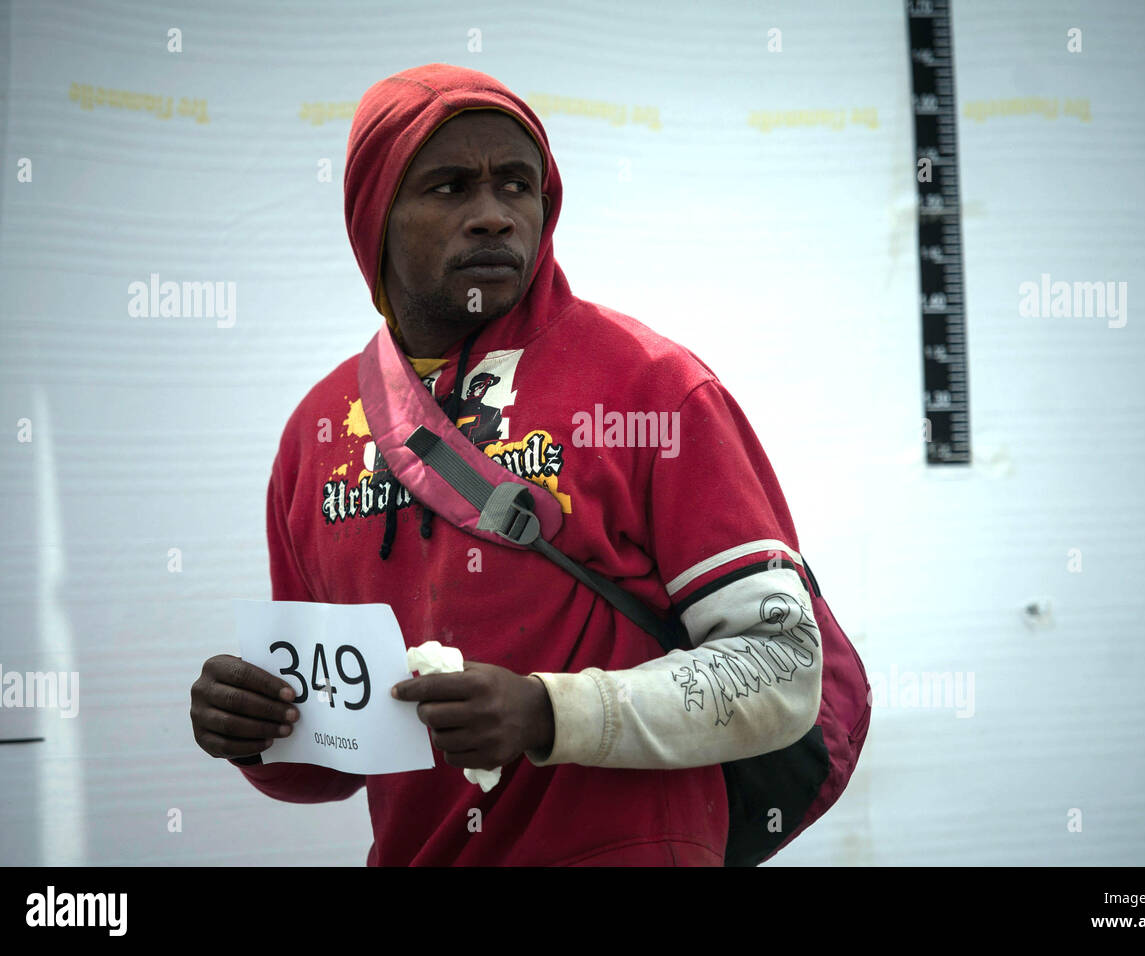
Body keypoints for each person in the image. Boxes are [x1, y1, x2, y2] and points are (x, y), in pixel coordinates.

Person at [189, 63, 824, 866]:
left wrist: (546, 711)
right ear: (373, 217)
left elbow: (784, 667)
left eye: (517, 186)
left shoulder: (652, 385)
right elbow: (332, 759)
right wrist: (255, 731)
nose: (493, 215)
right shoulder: (315, 432)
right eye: (450, 188)